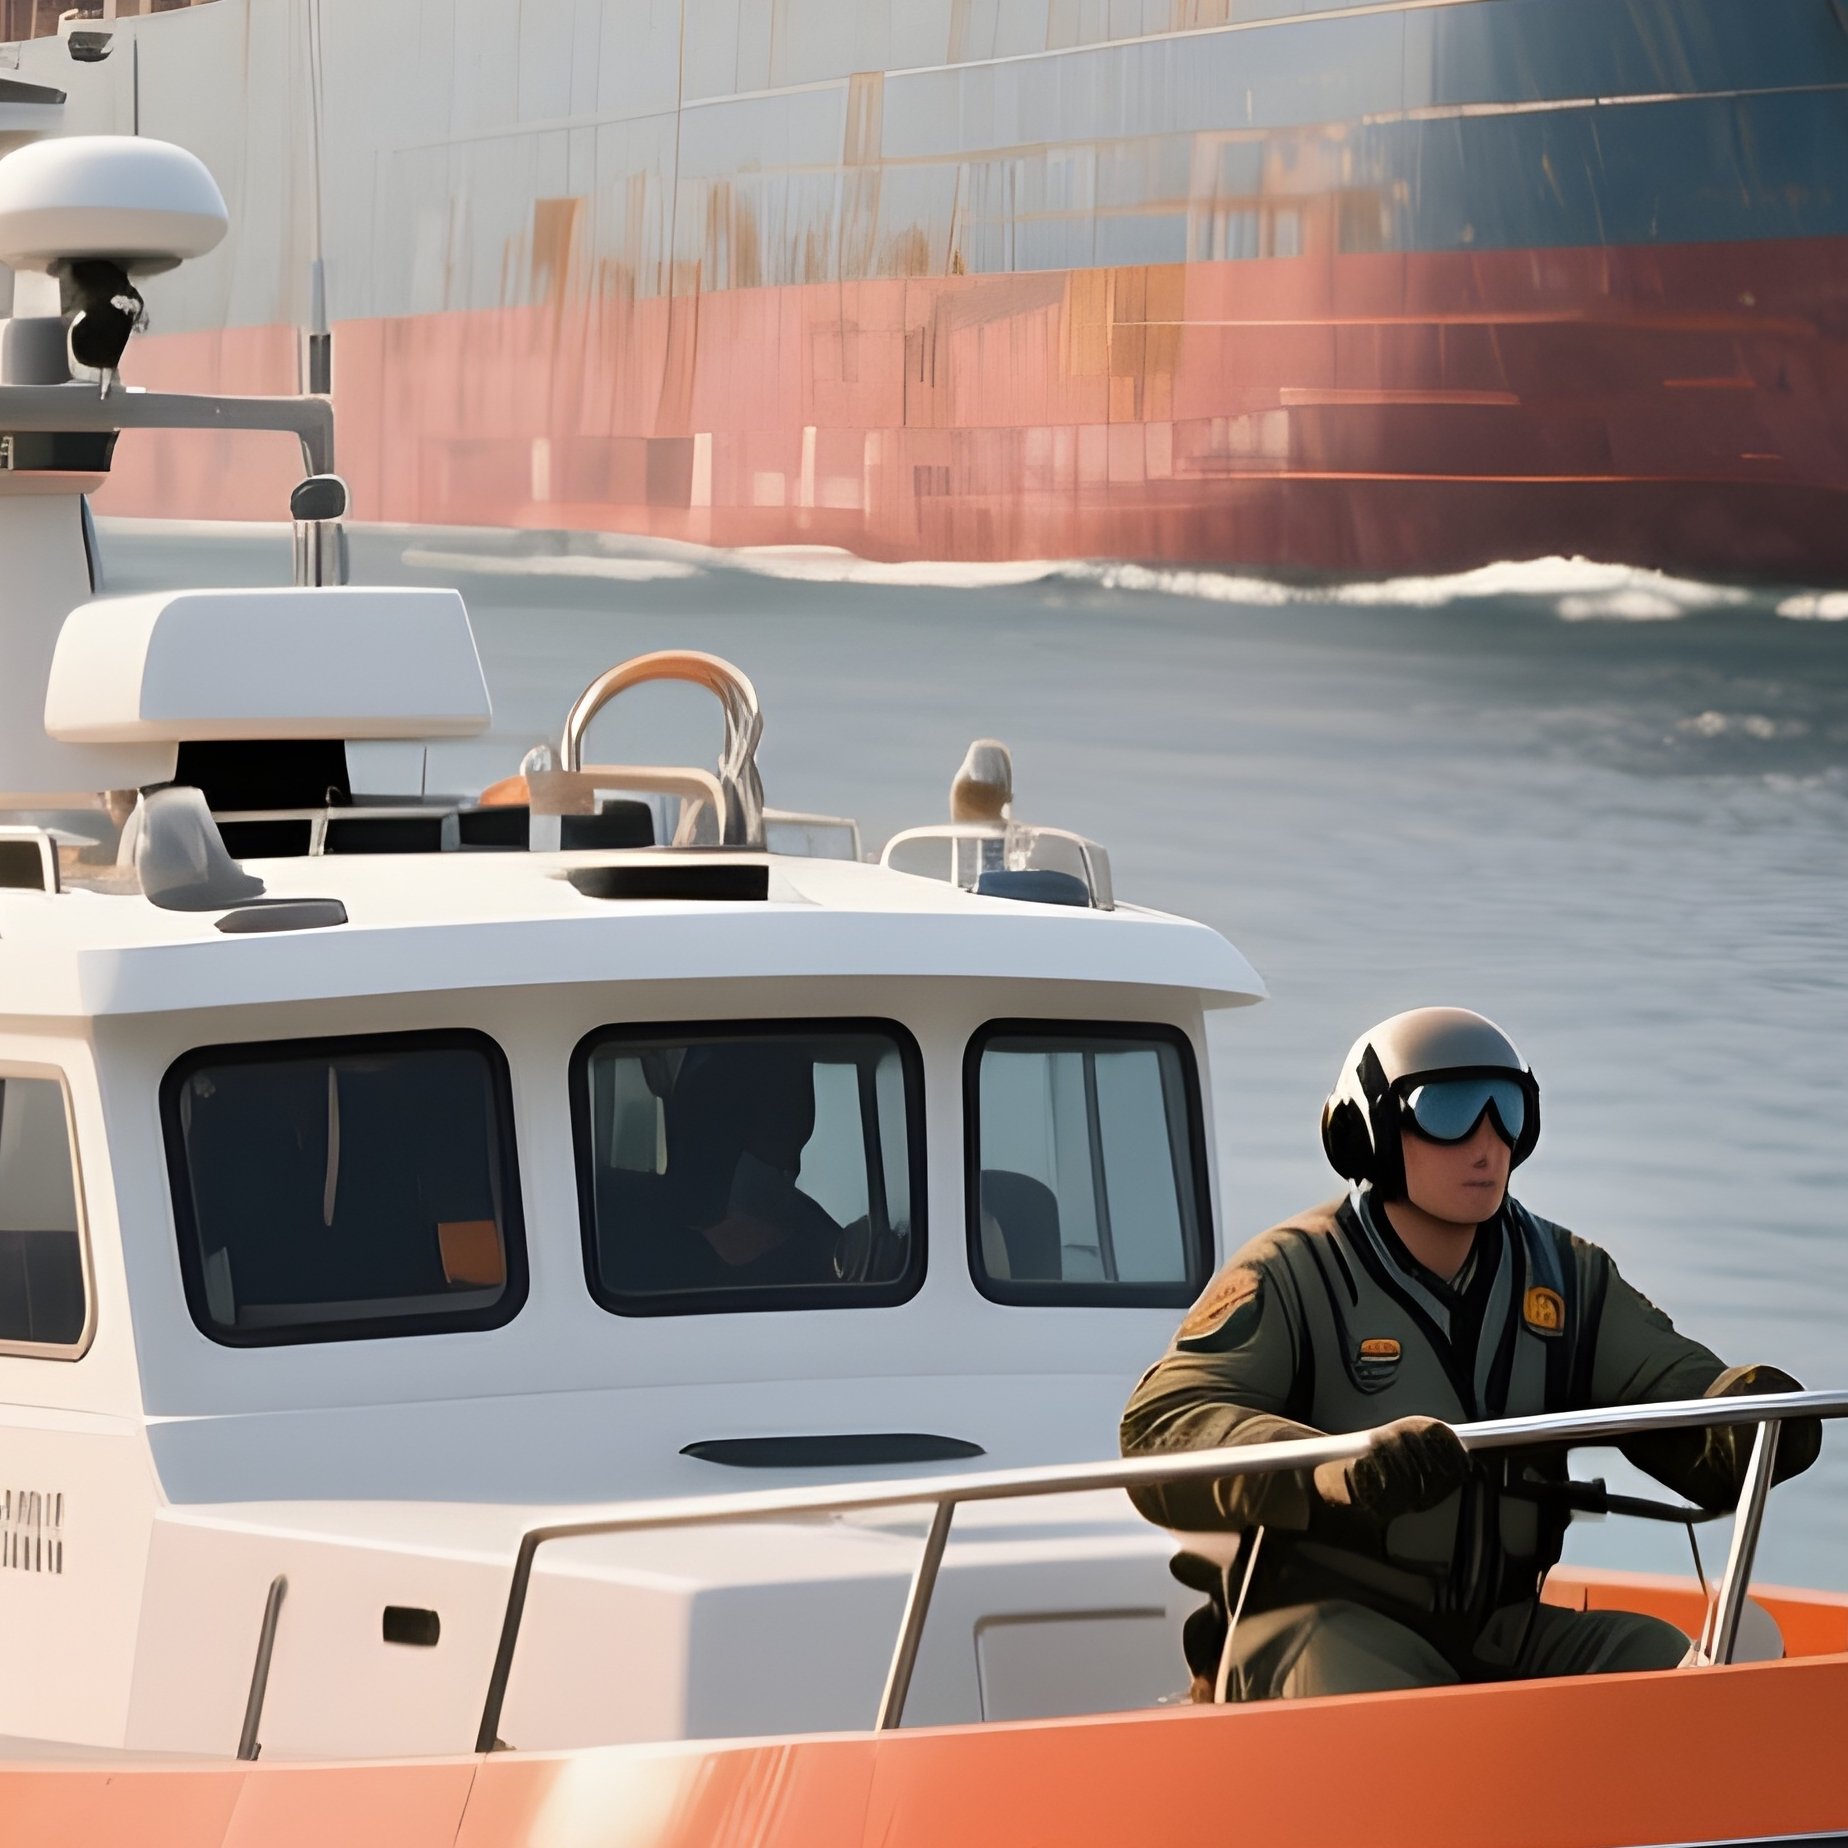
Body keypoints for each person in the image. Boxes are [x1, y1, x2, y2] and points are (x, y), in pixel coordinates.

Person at [1120, 1007, 1822, 1703]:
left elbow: (1666, 1383)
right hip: (1326, 1622)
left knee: (1669, 1674)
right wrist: (1331, 1471)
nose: (1488, 1145)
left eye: (1508, 1113)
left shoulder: (1567, 1276)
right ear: (1366, 1132)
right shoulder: (1293, 1274)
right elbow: (1164, 1428)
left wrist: (1742, 1421)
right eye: (1449, 1112)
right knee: (1367, 1701)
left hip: (1502, 1628)